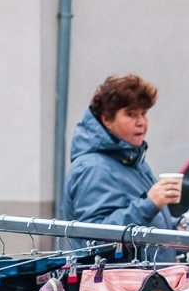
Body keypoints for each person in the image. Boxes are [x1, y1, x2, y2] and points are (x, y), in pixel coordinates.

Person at [62, 74, 180, 229]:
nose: (141, 122)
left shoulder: (132, 160)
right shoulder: (93, 168)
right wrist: (150, 203)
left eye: (143, 113)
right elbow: (95, 237)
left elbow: (144, 225)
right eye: (131, 114)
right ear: (107, 120)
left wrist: (176, 226)